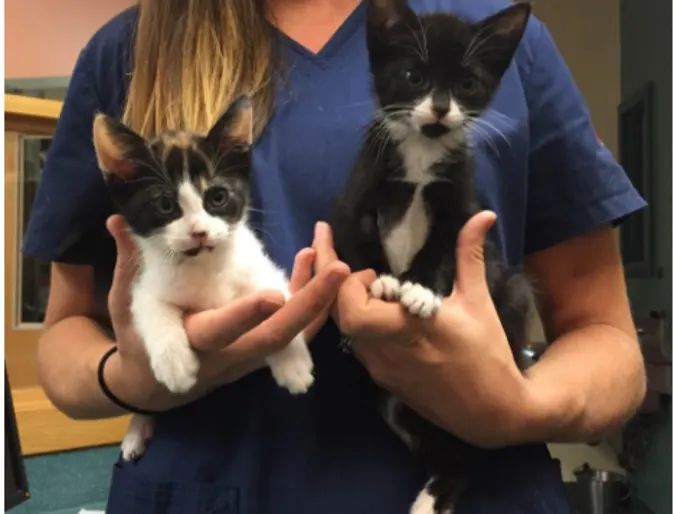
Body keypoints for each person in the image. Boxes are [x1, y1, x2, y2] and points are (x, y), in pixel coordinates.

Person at [24, 0, 647, 512]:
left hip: (478, 490)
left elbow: (611, 346)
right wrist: (130, 379)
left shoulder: (503, 38)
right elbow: (61, 341)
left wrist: (514, 408)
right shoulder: (131, 51)